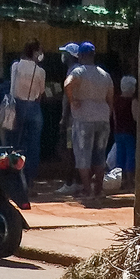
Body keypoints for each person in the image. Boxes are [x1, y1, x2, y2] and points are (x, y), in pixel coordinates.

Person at [64, 42, 114, 198]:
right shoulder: (104, 74)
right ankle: (99, 190)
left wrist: (72, 100)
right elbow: (110, 98)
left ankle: (87, 190)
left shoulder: (78, 71)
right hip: (103, 118)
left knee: (83, 155)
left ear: (80, 56)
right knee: (100, 155)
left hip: (84, 118)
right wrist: (107, 113)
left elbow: (68, 84)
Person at [10, 40, 47, 184]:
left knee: (16, 143)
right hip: (34, 107)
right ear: (36, 52)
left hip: (17, 107)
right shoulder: (40, 71)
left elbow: (12, 89)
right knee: (33, 146)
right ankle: (30, 181)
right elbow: (40, 93)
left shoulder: (15, 66)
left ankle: (16, 179)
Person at [56, 42, 83, 195]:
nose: (63, 56)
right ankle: (77, 181)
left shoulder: (73, 73)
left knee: (67, 150)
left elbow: (68, 98)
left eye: (65, 53)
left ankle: (70, 182)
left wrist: (64, 118)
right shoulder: (77, 71)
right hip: (77, 118)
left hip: (71, 120)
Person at [112, 75, 137, 191]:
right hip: (129, 132)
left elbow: (114, 117)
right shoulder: (133, 101)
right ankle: (130, 181)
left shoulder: (116, 100)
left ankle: (120, 181)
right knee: (130, 156)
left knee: (120, 156)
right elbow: (135, 117)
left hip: (118, 132)